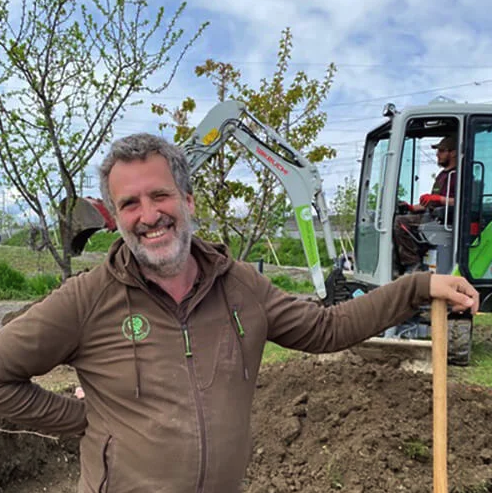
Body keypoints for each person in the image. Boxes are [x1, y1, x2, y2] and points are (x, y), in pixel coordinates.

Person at [0, 134, 478, 493]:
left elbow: (327, 328)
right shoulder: (88, 298)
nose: (148, 215)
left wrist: (416, 286)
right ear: (116, 217)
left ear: (187, 201)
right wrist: (84, 419)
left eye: (160, 195)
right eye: (130, 204)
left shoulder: (241, 285)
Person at [394, 135, 458, 272]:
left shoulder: (459, 175)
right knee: (399, 218)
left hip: (445, 220)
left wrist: (439, 199)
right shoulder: (442, 175)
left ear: (453, 153)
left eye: (442, 151)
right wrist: (411, 207)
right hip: (432, 216)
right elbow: (430, 202)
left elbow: (461, 201)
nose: (437, 154)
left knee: (401, 222)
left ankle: (413, 265)